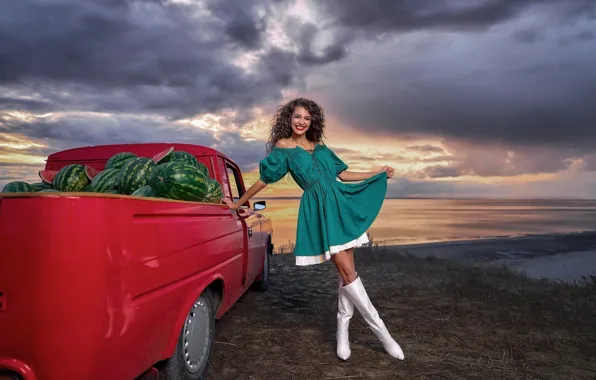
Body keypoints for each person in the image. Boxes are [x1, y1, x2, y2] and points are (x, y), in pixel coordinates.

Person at [221, 98, 405, 361]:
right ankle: (383, 334)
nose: (301, 122)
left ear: (312, 122)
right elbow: (264, 180)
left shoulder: (320, 147)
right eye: (297, 116)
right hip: (318, 209)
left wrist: (376, 173)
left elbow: (343, 175)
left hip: (340, 204)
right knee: (347, 271)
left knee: (347, 273)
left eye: (307, 118)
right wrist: (238, 203)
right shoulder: (283, 147)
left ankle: (343, 330)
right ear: (289, 118)